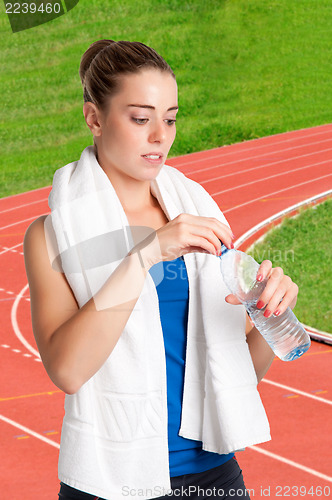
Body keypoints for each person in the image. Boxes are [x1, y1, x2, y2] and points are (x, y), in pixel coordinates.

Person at [23, 40, 299, 500]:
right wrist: (146, 254)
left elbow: (236, 377)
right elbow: (67, 369)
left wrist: (270, 316)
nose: (160, 136)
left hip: (215, 475)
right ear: (94, 118)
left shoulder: (198, 213)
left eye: (169, 118)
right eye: (139, 118)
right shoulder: (53, 234)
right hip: (110, 481)